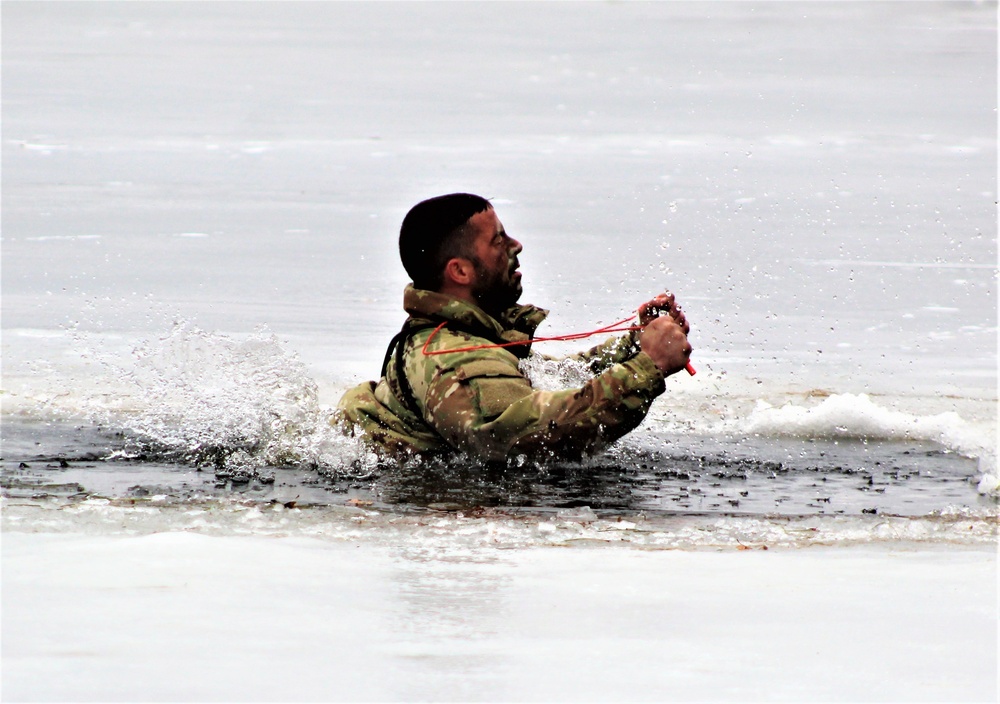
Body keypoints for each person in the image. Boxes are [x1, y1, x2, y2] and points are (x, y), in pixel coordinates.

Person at [336, 193, 692, 461]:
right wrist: (649, 366)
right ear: (460, 271)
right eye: (497, 240)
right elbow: (520, 435)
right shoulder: (452, 359)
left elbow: (554, 382)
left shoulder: (468, 339)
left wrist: (637, 344)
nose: (515, 246)